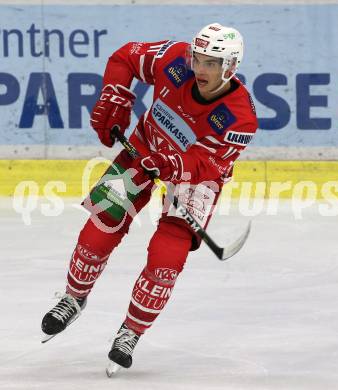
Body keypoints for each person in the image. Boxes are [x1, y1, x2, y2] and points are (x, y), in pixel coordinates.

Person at [41, 22, 258, 371]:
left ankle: (131, 330)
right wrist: (116, 94)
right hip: (144, 147)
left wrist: (172, 163)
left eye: (211, 64)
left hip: (195, 180)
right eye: (197, 58)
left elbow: (210, 164)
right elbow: (125, 57)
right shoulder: (173, 60)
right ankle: (73, 298)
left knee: (166, 257)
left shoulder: (240, 117)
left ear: (230, 67)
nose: (200, 69)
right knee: (101, 225)